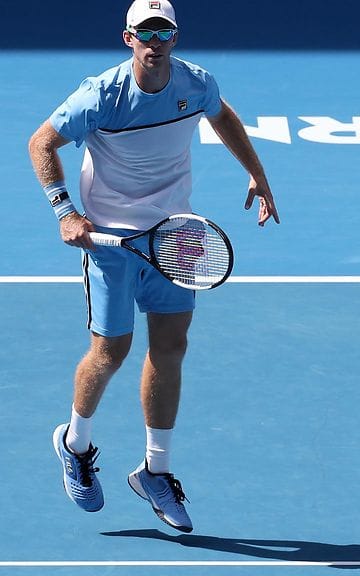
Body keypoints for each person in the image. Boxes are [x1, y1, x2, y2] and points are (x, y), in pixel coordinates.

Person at [28, 0, 280, 533]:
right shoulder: (101, 96)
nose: (155, 40)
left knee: (170, 347)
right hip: (111, 243)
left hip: (174, 236)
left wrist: (257, 173)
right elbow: (41, 142)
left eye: (163, 31)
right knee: (112, 350)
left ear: (174, 37)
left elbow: (224, 116)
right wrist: (64, 210)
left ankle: (155, 471)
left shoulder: (195, 83)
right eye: (145, 32)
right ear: (128, 38)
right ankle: (75, 443)